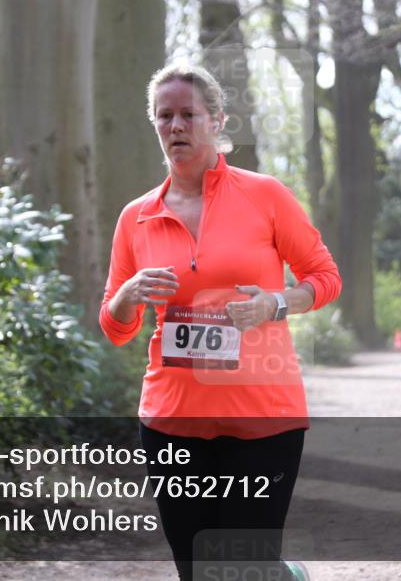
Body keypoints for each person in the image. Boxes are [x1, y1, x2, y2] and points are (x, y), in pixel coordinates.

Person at [99, 62, 341, 581]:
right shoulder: (135, 217)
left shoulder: (265, 195)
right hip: (172, 418)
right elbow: (115, 327)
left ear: (217, 122)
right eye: (165, 116)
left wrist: (274, 304)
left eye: (189, 114)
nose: (176, 126)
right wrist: (127, 295)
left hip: (262, 415)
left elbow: (323, 277)